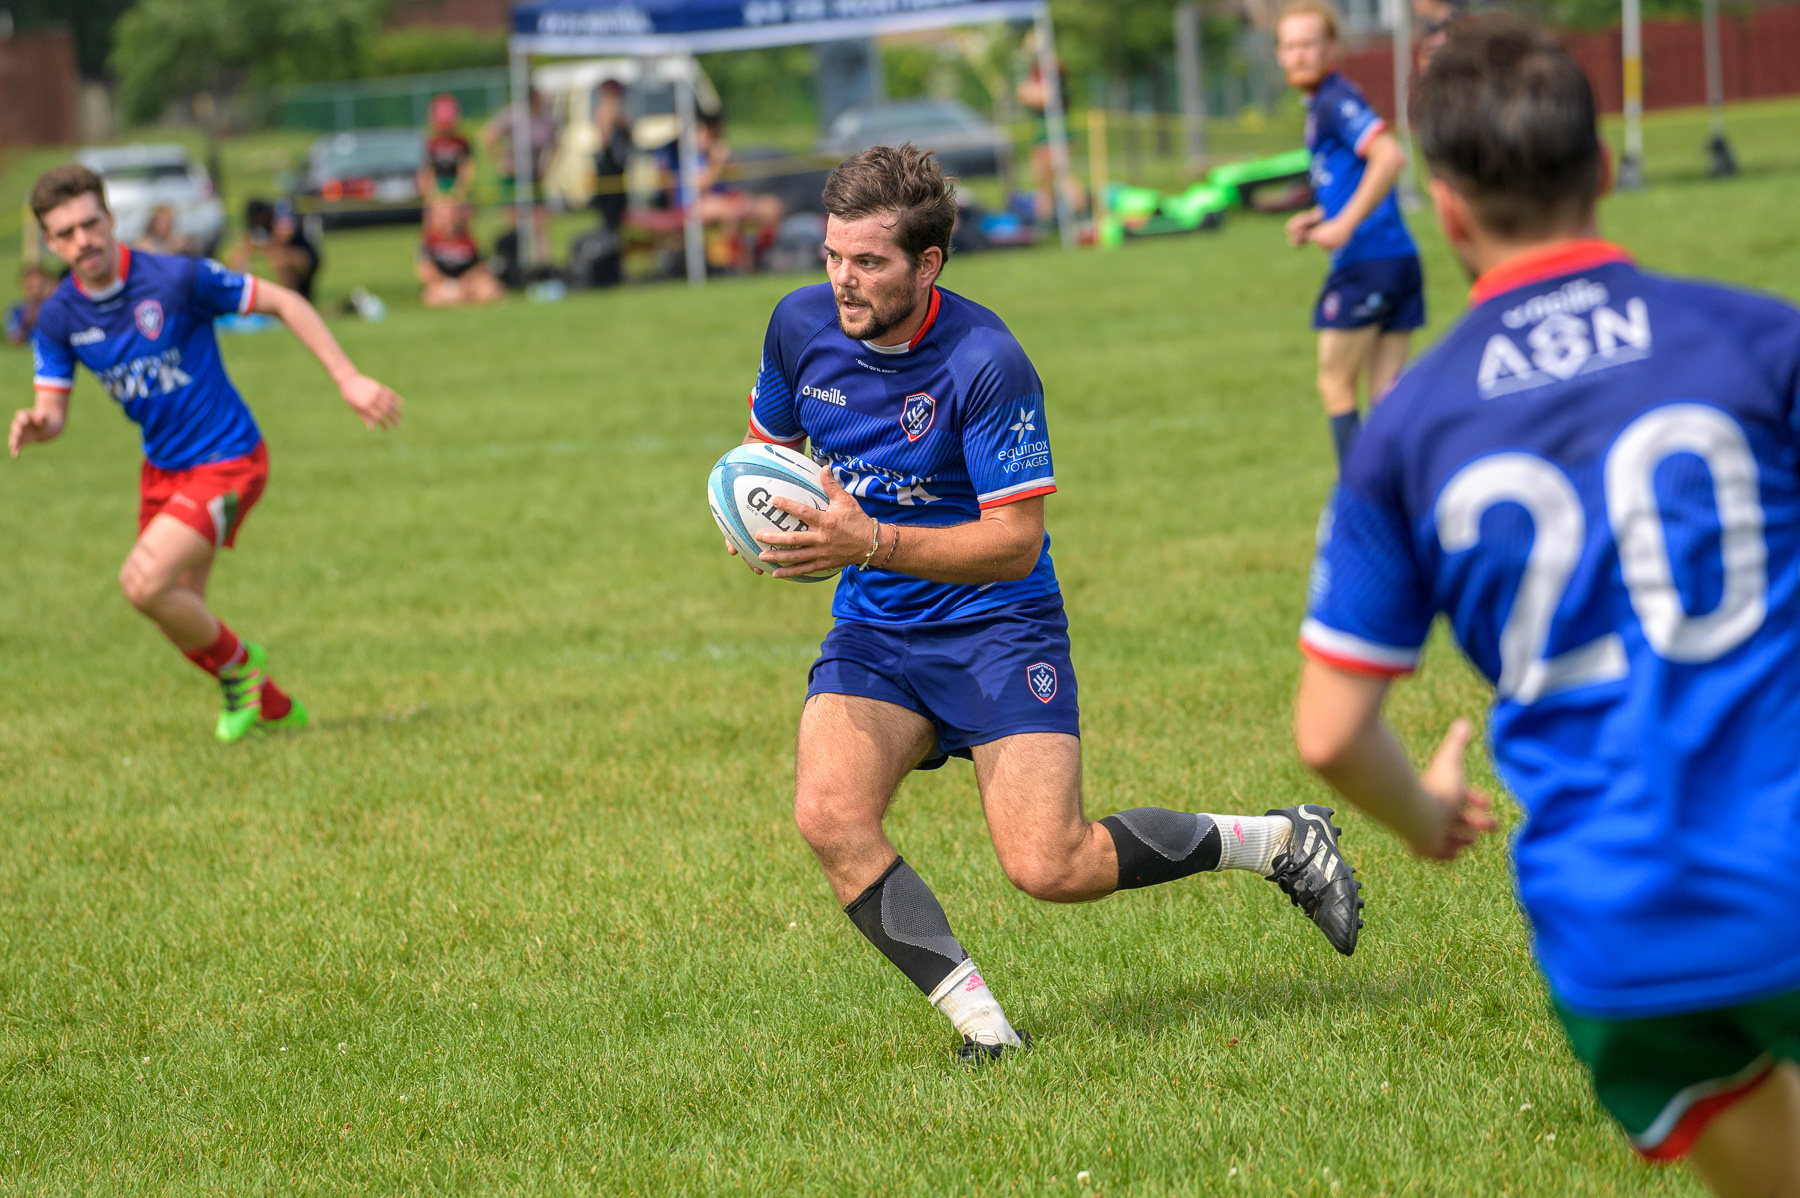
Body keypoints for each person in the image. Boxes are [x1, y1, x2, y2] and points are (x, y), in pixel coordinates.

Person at [1293, 16, 1800, 1190]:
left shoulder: (1406, 432)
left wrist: (1423, 818)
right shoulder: (1754, 343)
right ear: (1605, 164)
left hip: (1622, 930)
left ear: (1447, 210)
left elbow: (1327, 730)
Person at [733, 144, 1364, 1064]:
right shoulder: (797, 327)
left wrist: (866, 540)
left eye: (868, 262)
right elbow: (768, 452)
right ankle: (989, 1034)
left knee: (1050, 865)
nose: (842, 280)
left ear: (929, 264)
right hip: (876, 625)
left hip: (997, 624)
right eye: (832, 255)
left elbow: (1015, 541)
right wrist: (761, 520)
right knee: (830, 816)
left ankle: (1275, 842)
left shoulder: (987, 361)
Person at [11, 165, 402, 742]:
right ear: (49, 241)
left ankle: (243, 668)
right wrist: (36, 424)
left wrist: (348, 379)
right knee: (179, 613)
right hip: (163, 470)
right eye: (64, 233)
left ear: (110, 218)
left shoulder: (176, 278)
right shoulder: (59, 318)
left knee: (142, 583)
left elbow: (285, 302)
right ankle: (272, 706)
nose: (81, 240)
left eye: (90, 224)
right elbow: (55, 414)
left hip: (229, 458)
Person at [1276, 0, 1424, 469]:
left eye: (1309, 44)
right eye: (1290, 46)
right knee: (1387, 398)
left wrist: (1343, 225)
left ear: (1332, 48)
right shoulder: (1324, 102)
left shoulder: (1335, 100)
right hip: (1398, 258)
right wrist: (1321, 216)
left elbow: (1388, 156)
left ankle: (1362, 502)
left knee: (1335, 384)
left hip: (1366, 263)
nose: (1299, 55)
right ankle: (1409, 497)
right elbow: (1354, 180)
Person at [483, 88, 555, 258]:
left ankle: (542, 267)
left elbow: (555, 143)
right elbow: (488, 137)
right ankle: (516, 264)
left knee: (539, 225)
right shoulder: (513, 116)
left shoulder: (546, 120)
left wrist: (548, 165)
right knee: (516, 226)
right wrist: (502, 160)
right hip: (513, 178)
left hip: (535, 176)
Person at [416, 198, 503, 308]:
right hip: (443, 284)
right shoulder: (429, 240)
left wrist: (465, 282)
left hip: (469, 281)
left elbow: (480, 266)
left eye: (452, 213)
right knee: (432, 297)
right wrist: (450, 285)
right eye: (443, 215)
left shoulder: (469, 237)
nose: (448, 219)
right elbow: (426, 272)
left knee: (490, 290)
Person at [233, 198, 320, 303]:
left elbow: (283, 239)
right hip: (292, 259)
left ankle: (290, 302)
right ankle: (242, 299)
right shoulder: (258, 224)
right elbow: (245, 246)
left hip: (307, 257)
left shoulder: (280, 213)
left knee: (279, 259)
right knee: (236, 258)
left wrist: (258, 246)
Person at [591, 78, 632, 234]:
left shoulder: (617, 107)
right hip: (610, 164)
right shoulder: (607, 106)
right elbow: (605, 140)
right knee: (611, 209)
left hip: (617, 164)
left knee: (617, 209)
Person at [420, 94, 475, 201]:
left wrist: (459, 192)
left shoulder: (461, 142)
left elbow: (467, 170)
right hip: (437, 188)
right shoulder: (430, 143)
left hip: (457, 187)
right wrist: (432, 194)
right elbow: (426, 172)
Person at [5, 264, 53, 345]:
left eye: (39, 286)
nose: (35, 291)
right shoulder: (17, 310)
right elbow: (14, 340)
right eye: (31, 286)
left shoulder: (55, 307)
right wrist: (27, 322)